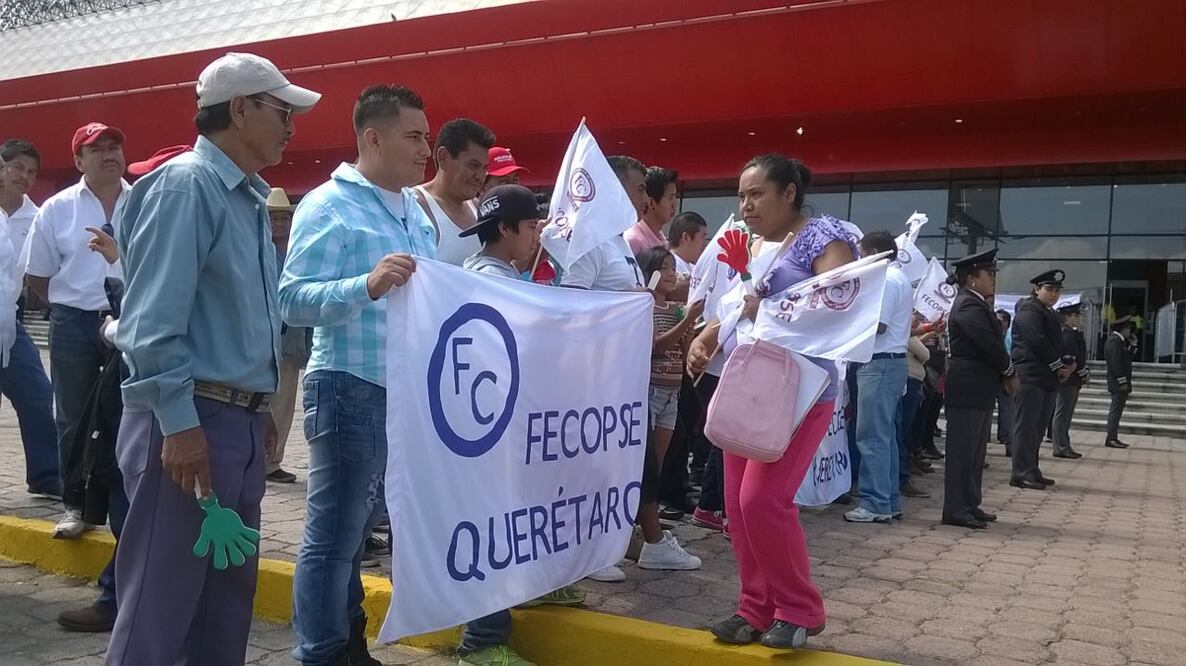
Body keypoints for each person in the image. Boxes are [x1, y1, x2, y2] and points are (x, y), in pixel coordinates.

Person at [107, 52, 319, 665]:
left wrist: (260, 405)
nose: (291, 126)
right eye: (282, 111)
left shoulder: (246, 199)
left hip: (234, 422)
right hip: (188, 422)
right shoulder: (187, 187)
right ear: (241, 108)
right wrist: (179, 424)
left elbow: (237, 319)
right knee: (160, 605)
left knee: (223, 605)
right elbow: (151, 328)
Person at [282, 84, 433, 666]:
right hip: (351, 385)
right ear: (373, 137)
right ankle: (319, 652)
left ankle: (347, 645)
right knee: (334, 539)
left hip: (402, 394)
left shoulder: (412, 208)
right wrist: (364, 284)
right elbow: (291, 299)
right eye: (414, 136)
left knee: (354, 534)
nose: (427, 150)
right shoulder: (329, 204)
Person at [689, 154, 857, 649]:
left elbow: (836, 301)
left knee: (763, 500)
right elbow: (748, 302)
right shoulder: (771, 246)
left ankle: (800, 608)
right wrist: (710, 333)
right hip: (752, 385)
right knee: (738, 508)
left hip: (802, 390)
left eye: (756, 193)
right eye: (740, 195)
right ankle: (754, 609)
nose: (745, 205)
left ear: (789, 192)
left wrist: (770, 306)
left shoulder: (826, 236)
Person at [457, 183, 584, 666]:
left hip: (505, 424)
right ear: (505, 229)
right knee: (494, 523)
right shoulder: (491, 282)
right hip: (494, 428)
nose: (538, 235)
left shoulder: (490, 276)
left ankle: (527, 587)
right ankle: (481, 642)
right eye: (531, 227)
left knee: (516, 517)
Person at [22, 123, 130, 540]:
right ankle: (76, 505)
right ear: (78, 160)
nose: (108, 154)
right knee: (72, 415)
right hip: (74, 323)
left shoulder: (142, 201)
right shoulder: (57, 208)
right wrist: (72, 306)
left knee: (128, 416)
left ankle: (125, 503)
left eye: (114, 146)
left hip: (130, 319)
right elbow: (38, 276)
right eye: (96, 149)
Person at [560, 155, 648, 583]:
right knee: (586, 468)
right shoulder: (589, 241)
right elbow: (571, 307)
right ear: (614, 190)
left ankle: (602, 544)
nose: (642, 200)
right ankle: (584, 552)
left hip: (620, 376)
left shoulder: (619, 243)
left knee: (610, 467)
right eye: (637, 190)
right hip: (590, 378)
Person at [0, 140, 60, 500]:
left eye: (32, 172)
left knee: (38, 394)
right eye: (18, 167)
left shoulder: (35, 218)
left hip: (9, 327)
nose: (25, 177)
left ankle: (47, 475)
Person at [942, 249, 1016, 528]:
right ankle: (956, 509)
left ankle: (970, 504)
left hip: (979, 388)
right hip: (968, 387)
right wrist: (1008, 369)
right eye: (989, 274)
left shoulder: (976, 303)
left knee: (975, 452)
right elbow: (989, 344)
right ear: (972, 278)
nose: (993, 279)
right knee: (963, 450)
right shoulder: (968, 305)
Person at [846, 231, 912, 524]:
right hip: (890, 364)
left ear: (875, 253)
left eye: (862, 254)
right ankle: (889, 500)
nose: (860, 261)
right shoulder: (899, 278)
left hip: (879, 363)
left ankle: (874, 503)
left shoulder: (886, 280)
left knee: (871, 437)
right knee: (885, 437)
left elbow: (879, 325)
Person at [1008, 270, 1075, 491]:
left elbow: (1056, 343)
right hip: (1030, 375)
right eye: (1049, 289)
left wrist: (1066, 363)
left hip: (1046, 377)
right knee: (1026, 426)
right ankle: (1021, 472)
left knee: (1037, 427)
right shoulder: (1029, 310)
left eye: (1057, 291)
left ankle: (1032, 469)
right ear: (1037, 289)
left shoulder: (1049, 313)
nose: (1054, 294)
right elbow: (1036, 341)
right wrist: (1057, 365)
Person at [264, 187, 309, 484]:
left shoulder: (296, 252)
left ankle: (272, 459)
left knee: (284, 401)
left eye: (284, 218)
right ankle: (262, 459)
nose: (279, 224)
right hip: (263, 336)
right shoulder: (258, 249)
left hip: (290, 337)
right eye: (273, 218)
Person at [414, 118, 495, 266]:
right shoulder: (415, 206)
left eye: (484, 168)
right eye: (473, 165)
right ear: (443, 157)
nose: (480, 176)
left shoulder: (479, 208)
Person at [899, 316, 935, 500]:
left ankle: (903, 472)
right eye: (912, 313)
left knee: (907, 430)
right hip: (909, 380)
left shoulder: (906, 331)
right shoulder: (901, 328)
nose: (914, 317)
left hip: (913, 380)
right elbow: (925, 354)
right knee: (902, 432)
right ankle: (901, 476)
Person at [1052, 303, 1090, 459]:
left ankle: (1064, 444)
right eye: (1075, 316)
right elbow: (1071, 358)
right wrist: (1081, 371)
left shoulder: (1072, 334)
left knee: (1066, 413)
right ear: (1067, 317)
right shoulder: (1067, 335)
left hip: (1073, 379)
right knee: (1062, 413)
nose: (1078, 319)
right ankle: (1060, 445)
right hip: (1067, 379)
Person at [625, 166, 677, 255]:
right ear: (651, 202)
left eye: (675, 197)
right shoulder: (634, 241)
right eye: (670, 197)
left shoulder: (662, 239)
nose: (675, 203)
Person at [1104, 317, 1135, 449]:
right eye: (1128, 328)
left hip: (1120, 381)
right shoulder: (1114, 341)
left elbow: (1127, 358)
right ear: (1122, 329)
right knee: (1115, 410)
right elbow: (1116, 363)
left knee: (1118, 410)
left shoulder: (1120, 342)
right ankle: (1111, 437)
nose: (1129, 331)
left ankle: (1113, 436)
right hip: (1117, 382)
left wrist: (1133, 345)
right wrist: (1122, 380)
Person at [668, 211, 708, 278]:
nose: (705, 243)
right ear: (686, 237)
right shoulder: (668, 267)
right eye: (702, 236)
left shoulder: (695, 269)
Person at [995, 309, 1013, 446]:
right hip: (990, 376)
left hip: (1005, 376)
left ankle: (1005, 435)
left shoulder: (1009, 336)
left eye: (1001, 320)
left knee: (1006, 408)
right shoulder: (991, 335)